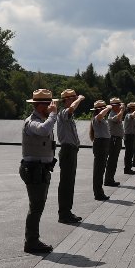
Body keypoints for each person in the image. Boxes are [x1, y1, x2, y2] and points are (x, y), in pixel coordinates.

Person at [19, 89, 82, 255]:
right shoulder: (32, 121)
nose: (52, 106)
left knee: (38, 205)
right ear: (40, 106)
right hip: (33, 169)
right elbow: (43, 131)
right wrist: (53, 114)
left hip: (41, 169)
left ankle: (32, 239)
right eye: (49, 104)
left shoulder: (43, 119)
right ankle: (31, 241)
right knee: (36, 206)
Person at [53, 89, 85, 224]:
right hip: (67, 151)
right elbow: (71, 108)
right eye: (72, 98)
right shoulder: (63, 113)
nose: (74, 100)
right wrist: (80, 99)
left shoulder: (68, 116)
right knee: (66, 183)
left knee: (69, 182)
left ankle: (67, 212)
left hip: (71, 151)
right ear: (66, 100)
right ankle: (64, 214)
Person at [88, 100, 112, 201]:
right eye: (103, 108)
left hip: (104, 143)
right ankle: (98, 193)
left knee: (101, 169)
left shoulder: (101, 119)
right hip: (100, 144)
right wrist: (108, 108)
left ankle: (99, 191)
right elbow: (101, 115)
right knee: (98, 170)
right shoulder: (97, 118)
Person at [104, 97, 124, 186]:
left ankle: (111, 178)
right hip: (114, 140)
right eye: (118, 105)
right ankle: (108, 179)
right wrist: (122, 110)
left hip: (117, 139)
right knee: (112, 160)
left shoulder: (116, 113)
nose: (120, 107)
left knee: (114, 160)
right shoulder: (112, 114)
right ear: (114, 106)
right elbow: (117, 118)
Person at [122, 102, 135, 174]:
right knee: (128, 153)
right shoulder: (128, 115)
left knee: (130, 153)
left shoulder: (131, 115)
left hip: (131, 136)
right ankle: (127, 169)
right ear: (131, 109)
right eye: (134, 108)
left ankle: (129, 168)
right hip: (129, 136)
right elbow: (132, 116)